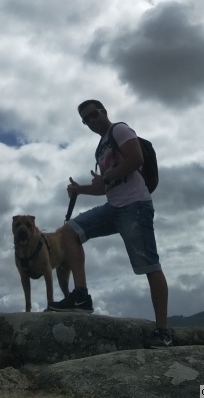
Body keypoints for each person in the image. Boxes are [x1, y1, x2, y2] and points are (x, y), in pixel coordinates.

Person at [48, 99, 172, 348]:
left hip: (135, 206)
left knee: (149, 266)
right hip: (113, 207)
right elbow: (107, 186)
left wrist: (106, 177)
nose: (91, 121)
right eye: (86, 120)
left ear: (104, 112)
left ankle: (162, 331)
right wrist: (80, 189)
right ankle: (81, 296)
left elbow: (135, 159)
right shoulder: (101, 148)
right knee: (70, 230)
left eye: (94, 115)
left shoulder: (120, 130)